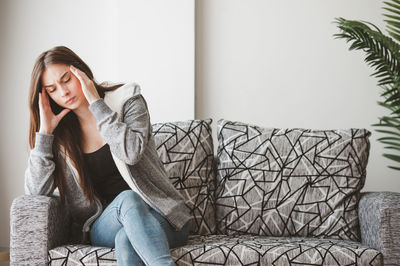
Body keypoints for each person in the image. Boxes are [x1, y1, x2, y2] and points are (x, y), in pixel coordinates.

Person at [24, 45, 191, 266]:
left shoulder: (127, 101)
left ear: (81, 72)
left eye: (66, 80)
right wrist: (45, 133)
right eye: (52, 89)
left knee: (126, 238)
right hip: (105, 224)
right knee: (127, 200)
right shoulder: (60, 133)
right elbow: (35, 192)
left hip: (162, 216)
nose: (63, 92)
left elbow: (131, 153)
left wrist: (97, 104)